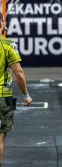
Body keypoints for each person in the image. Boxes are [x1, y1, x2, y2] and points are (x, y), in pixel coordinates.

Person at [0, 12, 32, 166]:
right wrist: (26, 94)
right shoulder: (7, 45)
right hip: (2, 97)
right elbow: (18, 73)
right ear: (1, 24)